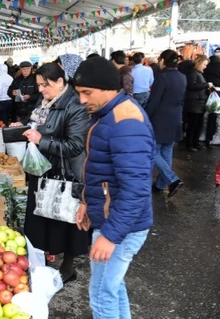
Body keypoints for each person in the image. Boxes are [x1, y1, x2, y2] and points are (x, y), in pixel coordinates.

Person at [73, 57, 155, 319]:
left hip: (121, 226)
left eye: (87, 93)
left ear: (108, 87)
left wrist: (110, 236)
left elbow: (136, 189)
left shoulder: (125, 122)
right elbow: (100, 169)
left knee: (101, 294)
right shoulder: (108, 114)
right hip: (113, 220)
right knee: (112, 286)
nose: (82, 100)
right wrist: (87, 201)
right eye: (79, 93)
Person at [21, 62, 90, 283]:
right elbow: (39, 124)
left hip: (64, 175)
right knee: (40, 220)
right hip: (42, 171)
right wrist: (25, 127)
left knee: (66, 219)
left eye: (45, 85)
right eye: (39, 84)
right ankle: (42, 266)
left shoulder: (75, 106)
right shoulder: (45, 103)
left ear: (60, 82)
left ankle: (67, 269)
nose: (40, 89)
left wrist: (42, 140)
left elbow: (75, 146)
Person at [146, 50, 187, 197]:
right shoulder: (182, 77)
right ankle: (160, 184)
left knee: (153, 151)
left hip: (160, 119)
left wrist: (144, 117)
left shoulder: (162, 78)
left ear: (163, 60)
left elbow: (154, 101)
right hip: (175, 117)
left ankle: (173, 179)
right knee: (167, 152)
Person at [183, 56, 212, 152]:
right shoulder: (192, 73)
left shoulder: (197, 73)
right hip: (194, 103)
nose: (205, 67)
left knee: (198, 124)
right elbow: (191, 86)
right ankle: (190, 144)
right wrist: (206, 85)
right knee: (193, 125)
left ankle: (195, 142)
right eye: (204, 65)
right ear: (199, 64)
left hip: (199, 103)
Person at [204, 55, 220, 147]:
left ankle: (205, 137)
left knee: (207, 115)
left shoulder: (207, 67)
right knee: (216, 115)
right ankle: (213, 137)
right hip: (218, 93)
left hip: (207, 92)